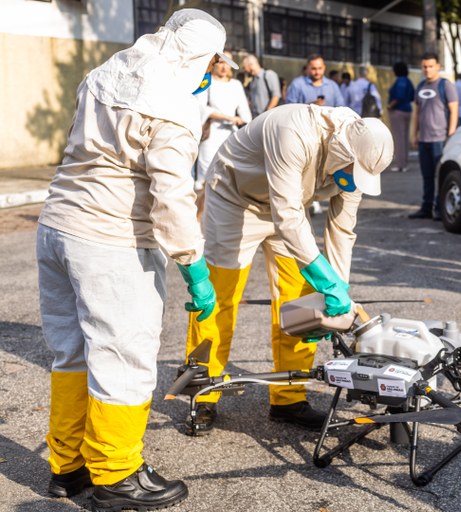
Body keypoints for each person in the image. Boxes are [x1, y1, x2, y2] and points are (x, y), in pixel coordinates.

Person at [36, 9, 225, 510]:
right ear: (202, 57)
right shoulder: (177, 106)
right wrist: (193, 265)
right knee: (122, 358)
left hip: (56, 224)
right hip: (109, 239)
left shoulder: (106, 73)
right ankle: (117, 477)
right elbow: (172, 196)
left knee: (71, 352)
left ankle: (67, 468)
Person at [183, 104, 394, 434]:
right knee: (220, 297)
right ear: (342, 150)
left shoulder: (357, 161)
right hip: (235, 197)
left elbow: (342, 229)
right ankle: (203, 392)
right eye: (353, 172)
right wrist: (323, 275)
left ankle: (289, 398)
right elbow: (287, 216)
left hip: (289, 209)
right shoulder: (293, 129)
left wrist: (336, 291)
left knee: (300, 300)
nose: (353, 181)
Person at [409, 52, 459, 220]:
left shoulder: (445, 85)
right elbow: (417, 113)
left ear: (438, 66)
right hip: (424, 139)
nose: (427, 70)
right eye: (424, 66)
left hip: (440, 138)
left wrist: (450, 134)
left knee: (441, 175)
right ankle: (426, 207)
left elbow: (454, 109)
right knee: (427, 175)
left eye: (431, 66)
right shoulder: (421, 86)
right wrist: (414, 134)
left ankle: (439, 208)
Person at [195, 50, 251, 191]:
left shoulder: (236, 85)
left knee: (229, 175)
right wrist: (227, 117)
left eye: (228, 63)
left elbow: (245, 111)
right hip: (211, 135)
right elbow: (201, 108)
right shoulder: (206, 81)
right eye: (221, 62)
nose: (224, 67)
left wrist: (243, 122)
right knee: (206, 176)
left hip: (231, 136)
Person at [387, 61, 415, 172]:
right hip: (407, 110)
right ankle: (404, 163)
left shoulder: (399, 81)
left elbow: (398, 96)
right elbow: (412, 96)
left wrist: (390, 106)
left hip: (397, 111)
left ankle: (400, 165)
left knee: (398, 139)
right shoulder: (408, 81)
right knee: (404, 138)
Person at [242, 54, 281, 118]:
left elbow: (276, 96)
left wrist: (266, 114)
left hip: (267, 116)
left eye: (244, 67)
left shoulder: (268, 75)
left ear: (250, 65)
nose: (244, 70)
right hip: (256, 117)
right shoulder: (252, 81)